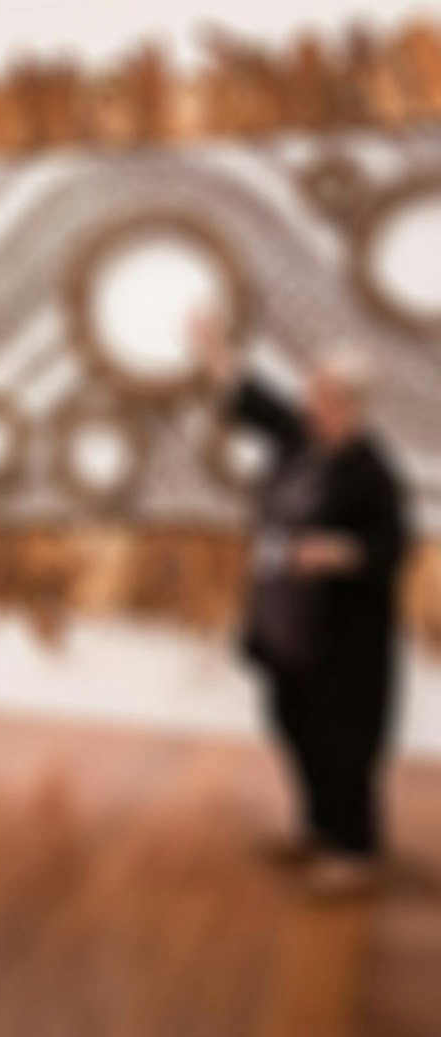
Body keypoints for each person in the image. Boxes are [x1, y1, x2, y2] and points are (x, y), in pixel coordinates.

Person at [197, 311, 411, 898]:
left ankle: (356, 851)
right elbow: (251, 399)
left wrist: (336, 554)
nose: (307, 399)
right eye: (310, 390)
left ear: (348, 403)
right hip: (287, 625)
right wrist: (214, 347)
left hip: (341, 638)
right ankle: (317, 829)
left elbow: (390, 548)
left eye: (319, 393)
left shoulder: (372, 472)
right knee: (294, 726)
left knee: (343, 742)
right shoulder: (301, 438)